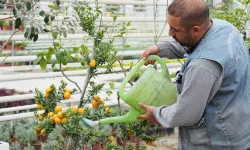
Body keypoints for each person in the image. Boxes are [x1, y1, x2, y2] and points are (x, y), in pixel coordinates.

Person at [136, 0, 250, 149]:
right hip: (239, 130)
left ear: (196, 30)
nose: (170, 33)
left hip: (216, 143)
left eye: (174, 30)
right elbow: (196, 43)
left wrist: (157, 114)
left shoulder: (203, 66)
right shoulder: (225, 29)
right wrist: (160, 48)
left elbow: (186, 114)